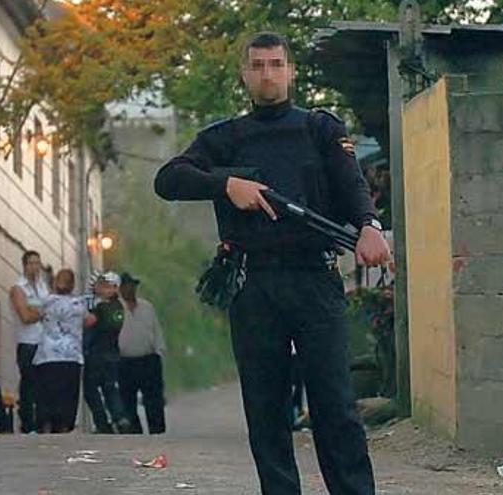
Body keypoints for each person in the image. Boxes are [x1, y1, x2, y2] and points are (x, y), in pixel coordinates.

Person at [154, 31, 390, 495]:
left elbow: (352, 188)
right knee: (266, 411)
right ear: (245, 73)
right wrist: (226, 186)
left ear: (291, 71)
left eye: (276, 64)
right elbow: (169, 179)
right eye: (258, 65)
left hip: (314, 278)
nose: (268, 74)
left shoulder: (320, 129)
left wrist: (370, 226)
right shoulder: (226, 137)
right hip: (252, 283)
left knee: (336, 407)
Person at [32, 269, 95, 433]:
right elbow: (90, 321)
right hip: (71, 355)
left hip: (47, 354)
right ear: (72, 285)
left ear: (55, 283)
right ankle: (64, 426)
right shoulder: (78, 304)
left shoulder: (46, 302)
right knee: (67, 395)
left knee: (46, 394)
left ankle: (45, 425)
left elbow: (35, 314)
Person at [117, 272, 167, 434]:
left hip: (148, 359)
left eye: (133, 286)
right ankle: (134, 433)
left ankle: (157, 432)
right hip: (125, 361)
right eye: (127, 286)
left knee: (154, 401)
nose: (131, 289)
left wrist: (159, 351)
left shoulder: (147, 307)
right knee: (127, 401)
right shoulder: (115, 308)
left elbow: (156, 330)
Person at [83, 272, 130, 434]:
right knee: (110, 388)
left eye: (105, 286)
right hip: (112, 354)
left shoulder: (101, 307)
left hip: (96, 354)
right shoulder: (118, 307)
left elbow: (88, 322)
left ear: (113, 289)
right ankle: (119, 417)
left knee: (90, 389)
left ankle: (102, 422)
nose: (101, 288)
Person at [9, 250, 49, 434]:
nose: (35, 267)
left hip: (43, 341)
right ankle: (27, 423)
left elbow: (50, 309)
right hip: (27, 342)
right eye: (31, 263)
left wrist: (37, 310)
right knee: (28, 384)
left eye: (37, 263)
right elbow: (24, 315)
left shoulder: (42, 287)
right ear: (24, 265)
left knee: (43, 384)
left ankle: (41, 423)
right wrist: (40, 312)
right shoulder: (19, 287)